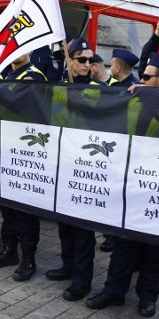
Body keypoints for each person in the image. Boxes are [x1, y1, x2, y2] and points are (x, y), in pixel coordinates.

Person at [87, 53, 159, 318]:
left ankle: (148, 296)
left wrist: (150, 98)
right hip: (132, 178)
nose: (140, 81)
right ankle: (114, 291)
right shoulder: (139, 96)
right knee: (124, 240)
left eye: (146, 77)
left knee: (154, 246)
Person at [45, 37, 105, 299]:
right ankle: (68, 265)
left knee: (83, 229)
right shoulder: (58, 87)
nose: (87, 64)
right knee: (65, 223)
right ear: (69, 60)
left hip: (86, 167)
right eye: (82, 59)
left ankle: (82, 281)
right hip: (61, 164)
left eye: (91, 60)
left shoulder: (101, 89)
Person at [0, 52, 46, 281]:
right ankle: (9, 249)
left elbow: (18, 103)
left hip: (26, 151)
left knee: (25, 208)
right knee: (6, 203)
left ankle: (28, 257)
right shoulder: (8, 74)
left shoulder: (34, 75)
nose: (17, 52)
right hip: (4, 146)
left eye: (23, 48)